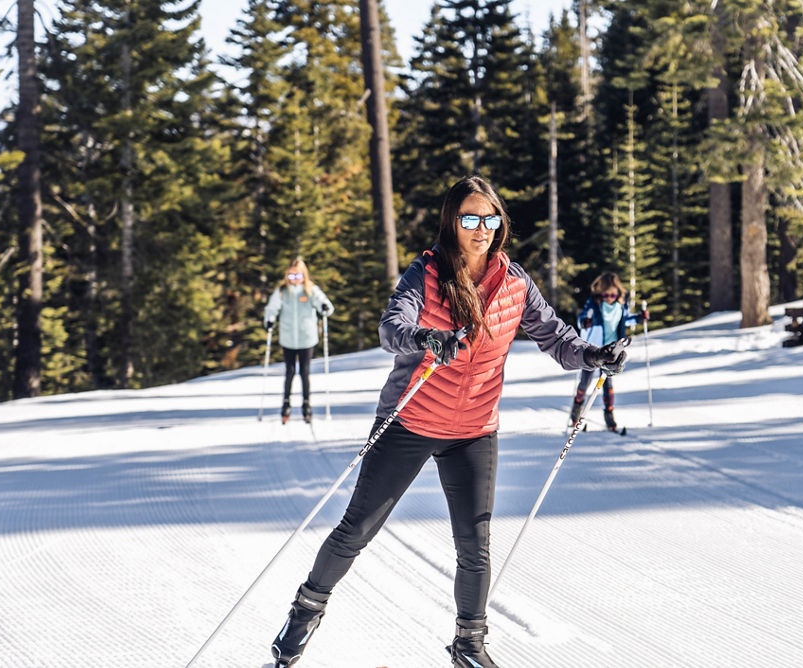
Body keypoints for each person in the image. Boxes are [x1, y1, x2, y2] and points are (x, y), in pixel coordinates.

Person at [269, 176, 628, 668]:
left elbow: (555, 336)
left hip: (474, 429)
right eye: (469, 218)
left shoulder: (514, 283)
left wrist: (595, 354)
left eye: (489, 218)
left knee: (475, 545)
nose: (481, 228)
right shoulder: (427, 273)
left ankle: (469, 646)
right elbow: (391, 329)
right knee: (357, 529)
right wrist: (425, 338)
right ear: (452, 222)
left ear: (500, 222)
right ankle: (305, 611)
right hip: (411, 421)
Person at [570, 272, 645, 432]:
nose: (609, 297)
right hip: (593, 350)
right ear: (600, 293)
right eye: (605, 294)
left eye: (612, 294)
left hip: (611, 352)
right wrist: (584, 321)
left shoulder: (621, 306)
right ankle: (576, 412)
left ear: (617, 292)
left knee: (607, 384)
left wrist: (639, 318)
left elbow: (626, 320)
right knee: (585, 381)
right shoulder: (594, 304)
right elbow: (582, 318)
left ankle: (609, 415)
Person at [264, 257, 334, 424]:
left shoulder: (310, 290)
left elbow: (325, 304)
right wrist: (270, 320)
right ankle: (286, 403)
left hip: (306, 338)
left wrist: (324, 307)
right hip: (288, 338)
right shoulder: (282, 291)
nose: (294, 280)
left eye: (298, 276)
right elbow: (272, 308)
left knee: (304, 371)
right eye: (291, 276)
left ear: (304, 276)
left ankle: (306, 404)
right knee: (289, 371)